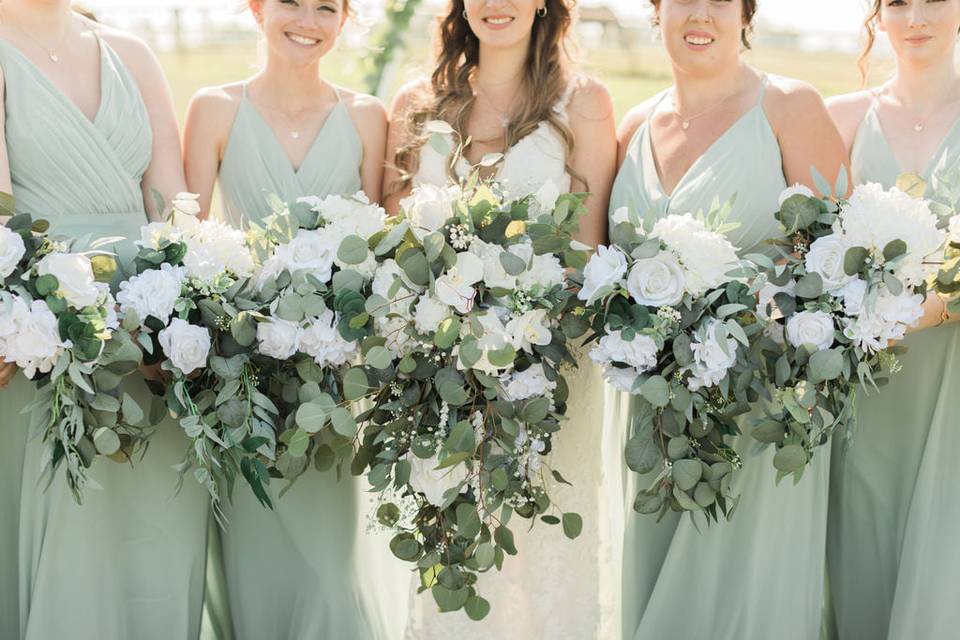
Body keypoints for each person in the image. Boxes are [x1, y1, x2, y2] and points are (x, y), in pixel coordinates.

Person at [606, 1, 847, 637]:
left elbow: (844, 263)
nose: (701, 13)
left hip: (761, 408)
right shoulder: (632, 126)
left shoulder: (791, 108)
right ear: (655, 10)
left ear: (745, 15)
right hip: (656, 415)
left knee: (741, 600)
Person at [383, 0, 618, 637]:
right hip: (437, 368)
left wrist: (512, 323)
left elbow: (587, 250)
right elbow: (390, 239)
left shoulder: (585, 103)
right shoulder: (418, 102)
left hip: (548, 359)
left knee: (545, 538)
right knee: (451, 536)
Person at [184, 1, 407, 638]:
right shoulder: (214, 109)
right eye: (290, 1)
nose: (306, 19)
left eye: (326, 6)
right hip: (240, 378)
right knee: (255, 564)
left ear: (344, 20)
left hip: (333, 382)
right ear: (257, 8)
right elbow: (186, 243)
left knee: (327, 572)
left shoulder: (367, 117)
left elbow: (381, 247)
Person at [0, 1, 209, 638]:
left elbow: (175, 208)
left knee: (157, 526)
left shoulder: (133, 53)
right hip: (46, 328)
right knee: (68, 524)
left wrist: (181, 314)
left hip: (154, 334)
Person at [825, 1, 960, 637]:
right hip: (868, 386)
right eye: (898, 2)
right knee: (865, 559)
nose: (916, 16)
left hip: (952, 371)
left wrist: (939, 305)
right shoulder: (842, 118)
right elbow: (805, 250)